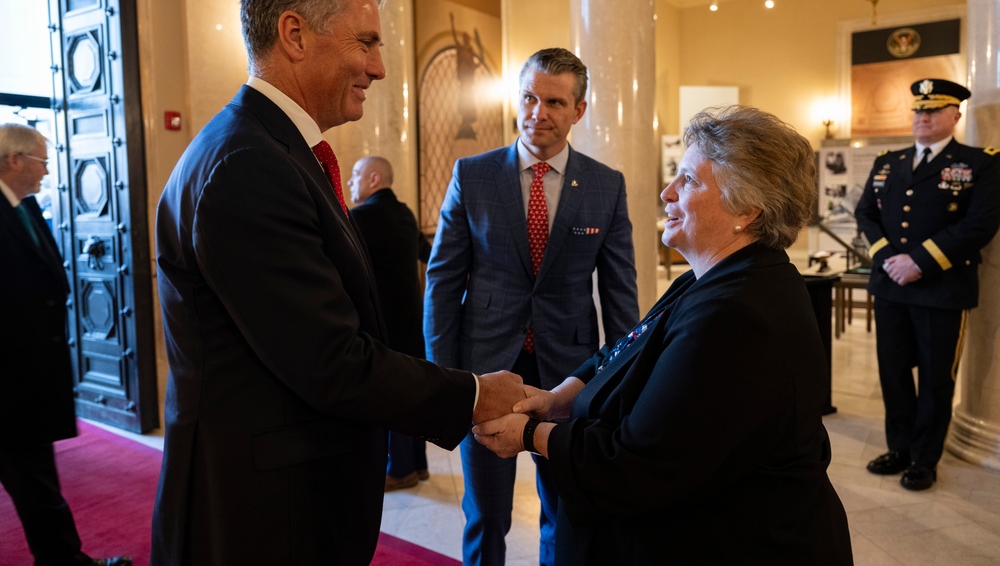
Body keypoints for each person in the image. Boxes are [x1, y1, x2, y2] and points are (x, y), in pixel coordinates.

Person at [152, 0, 524, 565]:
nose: (379, 68)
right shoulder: (249, 164)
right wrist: (474, 394)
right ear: (294, 34)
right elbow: (329, 359)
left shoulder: (273, 150)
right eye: (366, 42)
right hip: (265, 512)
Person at [473, 106, 854, 565]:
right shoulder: (710, 277)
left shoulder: (736, 316)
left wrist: (530, 434)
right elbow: (627, 348)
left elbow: (638, 465)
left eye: (689, 181)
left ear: (746, 208)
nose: (666, 191)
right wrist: (565, 396)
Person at [424, 47, 639, 566]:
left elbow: (619, 291)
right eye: (528, 97)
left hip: (565, 372)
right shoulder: (472, 175)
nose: (538, 112)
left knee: (563, 509)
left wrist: (625, 380)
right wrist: (441, 376)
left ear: (579, 110)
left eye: (555, 102)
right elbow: (443, 279)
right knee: (486, 513)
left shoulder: (606, 185)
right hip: (484, 366)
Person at [856, 78, 1000, 491]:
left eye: (933, 110)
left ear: (955, 116)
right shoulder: (889, 161)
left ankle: (924, 458)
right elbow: (866, 213)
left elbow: (980, 224)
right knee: (894, 372)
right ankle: (898, 447)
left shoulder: (981, 162)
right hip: (891, 288)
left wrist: (918, 262)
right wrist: (888, 260)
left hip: (942, 288)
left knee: (937, 379)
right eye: (918, 110)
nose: (923, 118)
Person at [0, 123, 131, 566]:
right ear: (13, 160)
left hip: (32, 371)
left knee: (37, 480)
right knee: (35, 481)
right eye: (41, 161)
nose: (47, 170)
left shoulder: (27, 206)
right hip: (10, 377)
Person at [347, 155, 433, 491]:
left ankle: (401, 469)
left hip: (381, 326)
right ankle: (419, 464)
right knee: (415, 392)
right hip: (413, 320)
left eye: (355, 175)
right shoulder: (405, 214)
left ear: (373, 179)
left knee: (392, 394)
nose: (350, 182)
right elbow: (430, 255)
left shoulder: (361, 217)